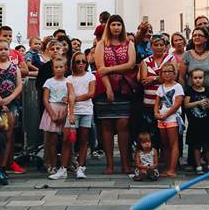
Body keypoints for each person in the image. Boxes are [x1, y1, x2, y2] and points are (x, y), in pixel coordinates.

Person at [94, 15, 137, 175]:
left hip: (124, 89)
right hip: (105, 89)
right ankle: (110, 164)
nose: (116, 27)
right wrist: (108, 89)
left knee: (123, 125)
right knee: (106, 126)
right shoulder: (101, 44)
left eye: (119, 24)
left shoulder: (129, 43)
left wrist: (110, 69)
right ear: (108, 27)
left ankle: (125, 163)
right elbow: (100, 68)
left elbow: (131, 64)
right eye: (113, 24)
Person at [179, 27, 209, 170]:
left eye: (200, 35)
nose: (197, 37)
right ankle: (195, 162)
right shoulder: (187, 55)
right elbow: (181, 76)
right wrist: (182, 95)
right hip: (192, 97)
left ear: (206, 38)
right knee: (195, 129)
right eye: (195, 35)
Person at [0, 40, 24, 176]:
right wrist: (0, 101)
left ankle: (2, 165)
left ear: (9, 51)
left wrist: (10, 99)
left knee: (8, 134)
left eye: (6, 49)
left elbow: (19, 85)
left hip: (11, 103)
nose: (3, 52)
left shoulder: (14, 67)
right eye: (0, 49)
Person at [138, 34, 175, 154]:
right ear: (151, 46)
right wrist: (160, 77)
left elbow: (171, 77)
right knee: (152, 133)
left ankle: (167, 160)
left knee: (165, 135)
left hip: (166, 104)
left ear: (165, 46)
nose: (159, 47)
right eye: (156, 45)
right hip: (149, 103)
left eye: (161, 45)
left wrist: (153, 78)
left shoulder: (170, 59)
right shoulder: (145, 61)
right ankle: (152, 159)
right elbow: (144, 80)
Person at [41, 57, 72, 179]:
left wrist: (65, 114)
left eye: (61, 67)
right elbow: (45, 99)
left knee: (66, 139)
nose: (59, 69)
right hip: (52, 109)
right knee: (52, 141)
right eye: (56, 67)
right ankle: (52, 164)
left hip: (64, 109)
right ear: (53, 68)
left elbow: (70, 98)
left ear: (65, 68)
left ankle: (66, 163)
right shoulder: (49, 81)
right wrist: (52, 114)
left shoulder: (68, 81)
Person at [66, 52, 95, 179]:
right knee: (68, 139)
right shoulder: (69, 78)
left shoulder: (90, 76)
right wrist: (71, 109)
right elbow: (70, 94)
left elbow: (91, 93)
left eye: (83, 61)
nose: (81, 64)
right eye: (78, 62)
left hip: (87, 110)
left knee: (84, 139)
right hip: (73, 111)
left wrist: (72, 99)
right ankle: (66, 165)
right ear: (73, 64)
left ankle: (81, 166)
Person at [154, 61, 184, 177]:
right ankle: (167, 167)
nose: (166, 74)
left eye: (169, 71)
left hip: (171, 118)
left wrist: (166, 115)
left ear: (174, 73)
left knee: (174, 143)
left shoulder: (177, 87)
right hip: (161, 119)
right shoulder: (161, 87)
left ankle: (173, 169)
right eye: (164, 72)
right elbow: (157, 102)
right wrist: (156, 113)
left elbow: (177, 103)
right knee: (165, 144)